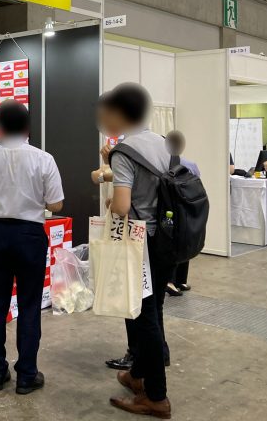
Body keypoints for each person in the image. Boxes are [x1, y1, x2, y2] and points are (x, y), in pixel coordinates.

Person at [0, 100, 64, 395]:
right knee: (29, 305)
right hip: (30, 235)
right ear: (27, 128)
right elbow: (56, 204)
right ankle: (27, 375)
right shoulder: (44, 159)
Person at [98, 83, 173, 419]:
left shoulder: (124, 151)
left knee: (144, 317)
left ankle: (156, 397)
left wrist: (111, 203)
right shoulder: (163, 143)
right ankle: (137, 375)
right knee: (153, 310)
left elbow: (123, 206)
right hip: (168, 240)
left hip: (141, 244)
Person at [165, 131, 199, 296]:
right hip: (187, 207)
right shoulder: (191, 164)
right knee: (185, 242)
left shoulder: (164, 163)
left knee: (171, 244)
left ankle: (170, 281)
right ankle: (181, 280)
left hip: (170, 209)